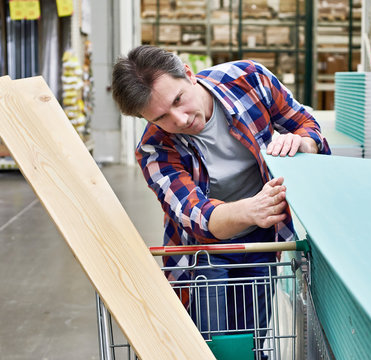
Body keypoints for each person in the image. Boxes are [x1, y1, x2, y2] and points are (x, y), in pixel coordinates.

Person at [111, 45, 331, 346]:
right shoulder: (155, 149)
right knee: (211, 344)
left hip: (262, 238)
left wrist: (302, 144)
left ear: (189, 74)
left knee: (252, 339)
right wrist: (249, 210)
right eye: (161, 117)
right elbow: (197, 216)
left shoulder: (248, 80)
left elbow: (307, 125)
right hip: (203, 251)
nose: (180, 119)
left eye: (179, 100)